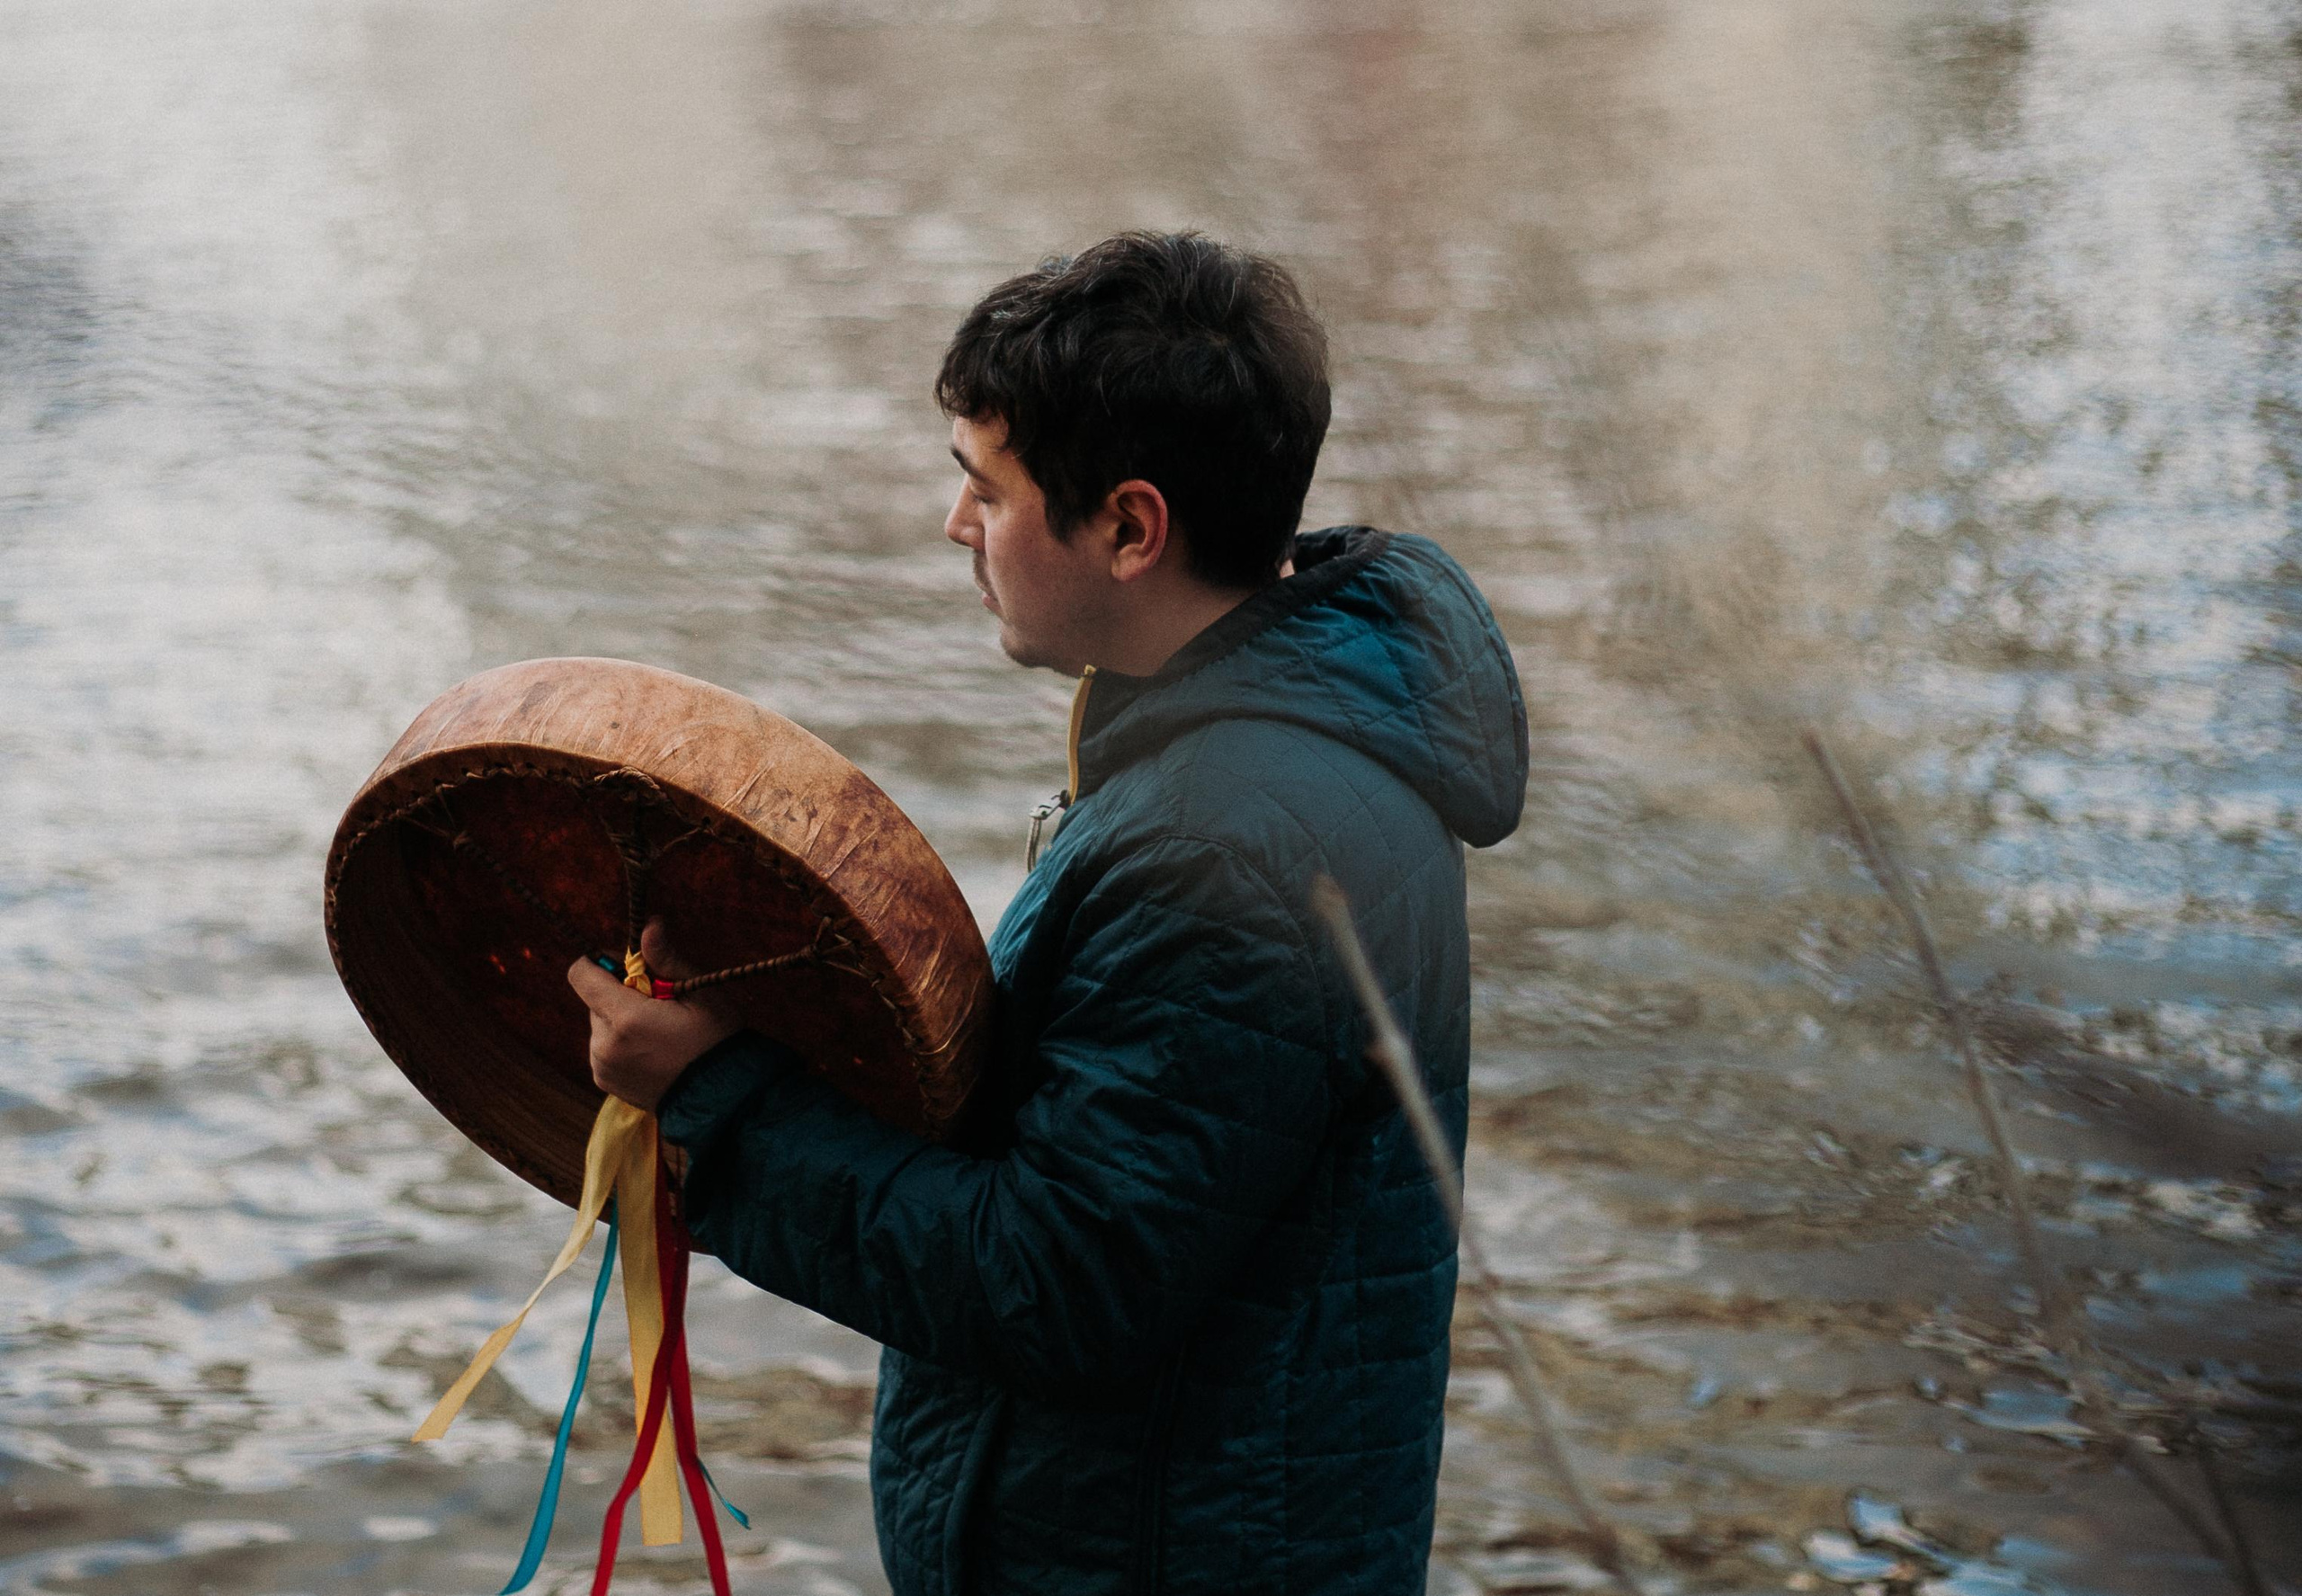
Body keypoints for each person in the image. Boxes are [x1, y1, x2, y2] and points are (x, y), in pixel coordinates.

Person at [569, 231, 1528, 1595]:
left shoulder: (1233, 838)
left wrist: (720, 1104)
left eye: (988, 488)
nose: (957, 525)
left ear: (1131, 527)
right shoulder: (1262, 746)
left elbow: (1061, 1284)